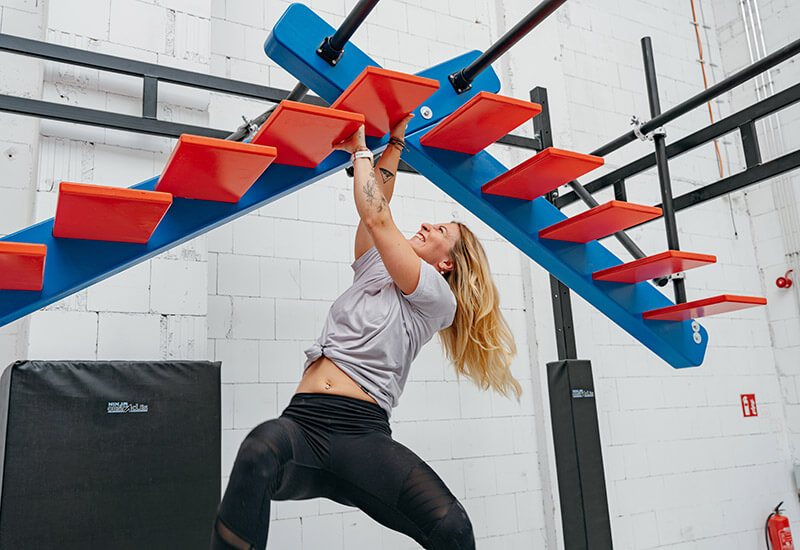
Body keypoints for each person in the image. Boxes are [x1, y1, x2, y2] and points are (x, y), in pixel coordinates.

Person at [211, 113, 522, 550]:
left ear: (447, 263)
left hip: (360, 434)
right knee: (259, 449)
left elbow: (379, 219)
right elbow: (380, 210)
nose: (429, 225)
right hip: (303, 423)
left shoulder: (435, 297)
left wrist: (360, 149)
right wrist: (393, 145)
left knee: (451, 528)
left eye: (441, 230)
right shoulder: (375, 269)